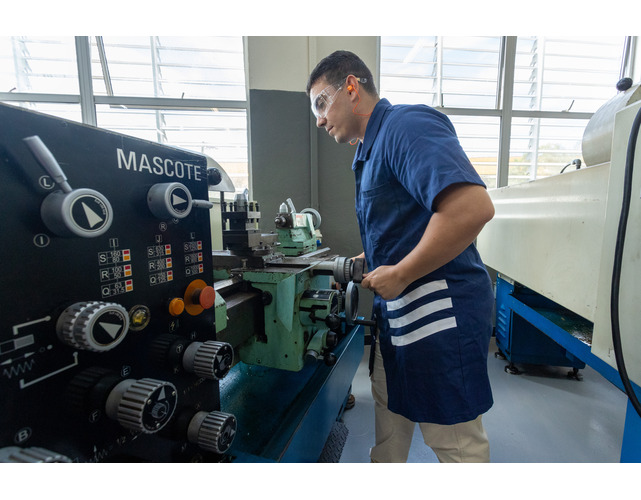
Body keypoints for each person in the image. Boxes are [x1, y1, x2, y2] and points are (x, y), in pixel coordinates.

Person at [306, 50, 495, 463]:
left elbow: (471, 208)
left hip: (438, 316)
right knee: (390, 420)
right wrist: (358, 263)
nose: (319, 120)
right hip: (397, 318)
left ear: (351, 87)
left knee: (455, 443)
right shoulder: (368, 152)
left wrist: (403, 273)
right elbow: (402, 231)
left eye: (321, 103)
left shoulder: (406, 126)